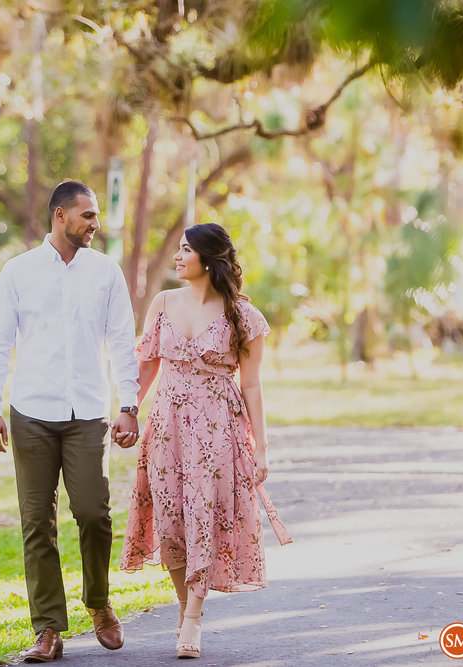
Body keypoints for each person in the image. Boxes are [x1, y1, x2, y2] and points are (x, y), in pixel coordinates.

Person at [0, 180, 141, 663]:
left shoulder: (106, 273)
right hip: (31, 413)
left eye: (95, 216)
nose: (95, 224)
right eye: (87, 216)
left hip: (88, 414)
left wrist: (129, 405)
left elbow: (122, 342)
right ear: (60, 216)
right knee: (36, 523)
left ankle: (98, 602)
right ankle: (48, 628)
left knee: (94, 513)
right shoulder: (18, 272)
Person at [118, 222, 292, 659]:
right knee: (171, 517)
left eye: (185, 250)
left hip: (219, 427)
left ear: (208, 259)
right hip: (167, 423)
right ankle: (183, 604)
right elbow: (146, 366)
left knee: (205, 514)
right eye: (178, 249)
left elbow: (252, 385)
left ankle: (194, 616)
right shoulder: (162, 303)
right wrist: (127, 410)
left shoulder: (243, 315)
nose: (177, 257)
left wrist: (262, 448)